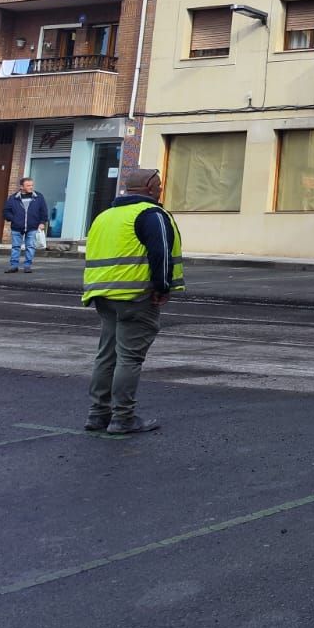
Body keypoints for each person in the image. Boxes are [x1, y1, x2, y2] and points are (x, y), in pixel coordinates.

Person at [82, 168, 184, 435]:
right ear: (152, 189)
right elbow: (159, 252)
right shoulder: (152, 215)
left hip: (102, 294)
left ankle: (97, 414)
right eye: (160, 185)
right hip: (136, 296)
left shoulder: (105, 216)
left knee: (106, 355)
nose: (161, 189)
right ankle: (122, 417)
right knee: (129, 358)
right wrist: (162, 287)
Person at [1, 177, 49, 274]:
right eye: (28, 185)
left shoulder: (38, 197)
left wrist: (42, 222)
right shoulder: (13, 198)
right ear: (22, 187)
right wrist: (14, 219)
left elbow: (44, 211)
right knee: (15, 247)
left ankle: (27, 266)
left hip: (33, 226)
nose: (31, 187)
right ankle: (13, 266)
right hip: (17, 227)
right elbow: (6, 211)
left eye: (32, 185)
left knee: (30, 246)